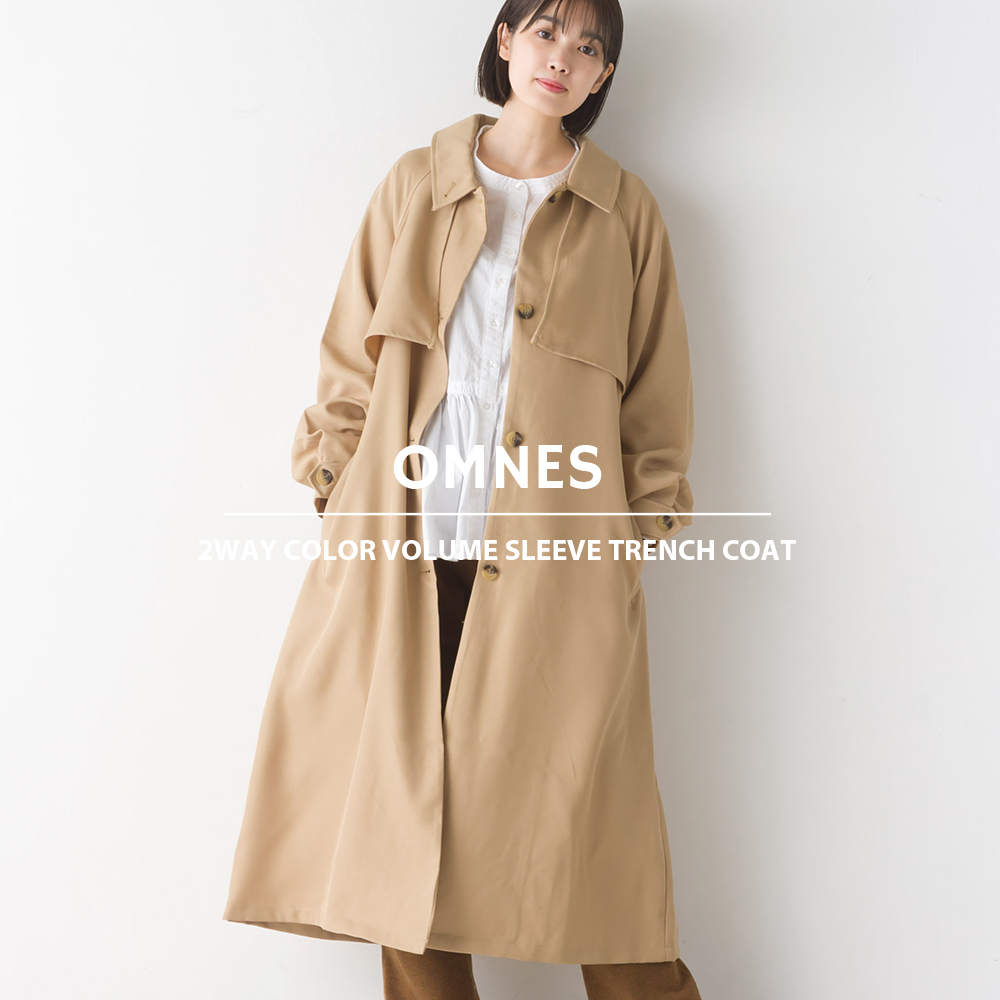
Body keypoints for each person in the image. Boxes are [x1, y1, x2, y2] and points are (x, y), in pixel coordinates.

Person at [223, 1, 700, 997]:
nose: (563, 57)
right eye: (546, 32)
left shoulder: (626, 215)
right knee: (400, 827)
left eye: (590, 47)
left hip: (558, 573)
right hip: (404, 553)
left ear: (604, 76)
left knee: (591, 838)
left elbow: (656, 402)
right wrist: (334, 483)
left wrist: (634, 532)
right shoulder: (418, 183)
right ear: (504, 41)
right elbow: (350, 357)